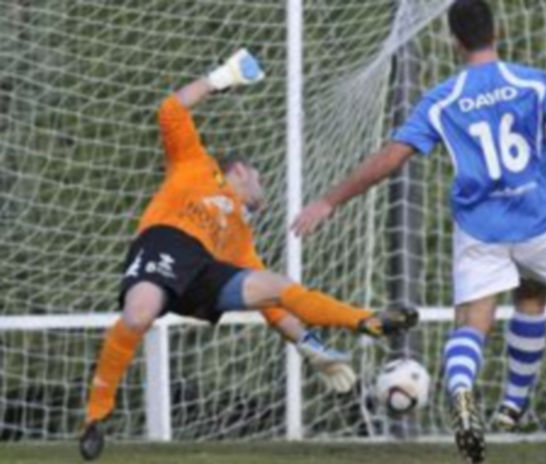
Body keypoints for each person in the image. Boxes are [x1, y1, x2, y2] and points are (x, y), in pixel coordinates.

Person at [291, 1, 546, 461]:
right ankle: (513, 403)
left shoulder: (442, 98)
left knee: (473, 321)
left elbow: (392, 158)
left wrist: (329, 200)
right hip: (539, 220)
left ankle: (461, 389)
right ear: (495, 31)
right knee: (532, 297)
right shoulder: (534, 82)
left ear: (454, 41)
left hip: (481, 229)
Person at [79, 49, 417, 461]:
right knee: (138, 314)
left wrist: (309, 346)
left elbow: (274, 308)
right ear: (238, 171)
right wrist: (221, 77)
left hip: (204, 269)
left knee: (276, 286)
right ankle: (96, 415)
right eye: (258, 177)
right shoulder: (195, 165)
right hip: (168, 243)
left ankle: (364, 320)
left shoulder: (239, 236)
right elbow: (170, 109)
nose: (263, 186)